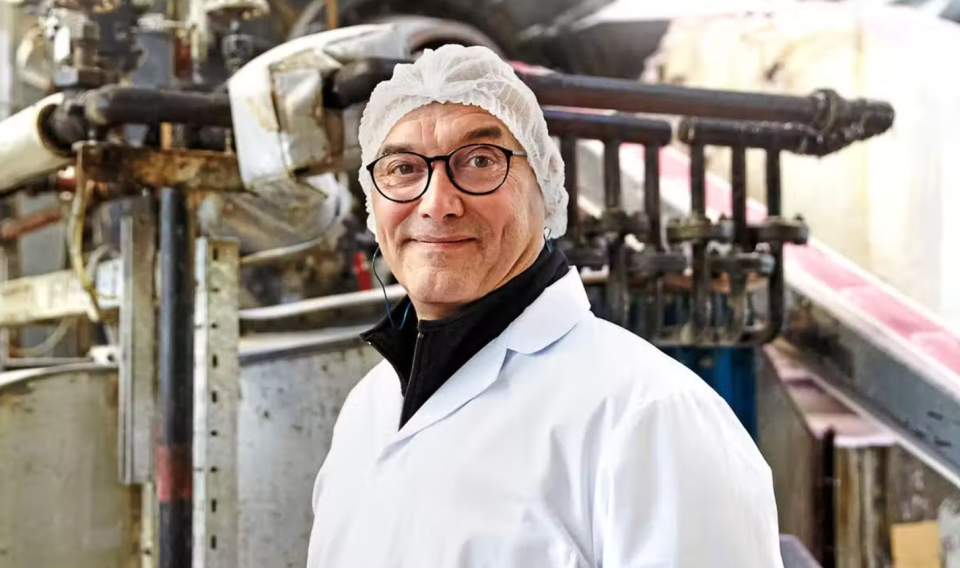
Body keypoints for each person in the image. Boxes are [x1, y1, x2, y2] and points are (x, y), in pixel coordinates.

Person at [305, 44, 785, 568]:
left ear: (545, 188)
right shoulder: (366, 410)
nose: (437, 203)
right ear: (372, 203)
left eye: (480, 161)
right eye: (402, 168)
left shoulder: (648, 415)